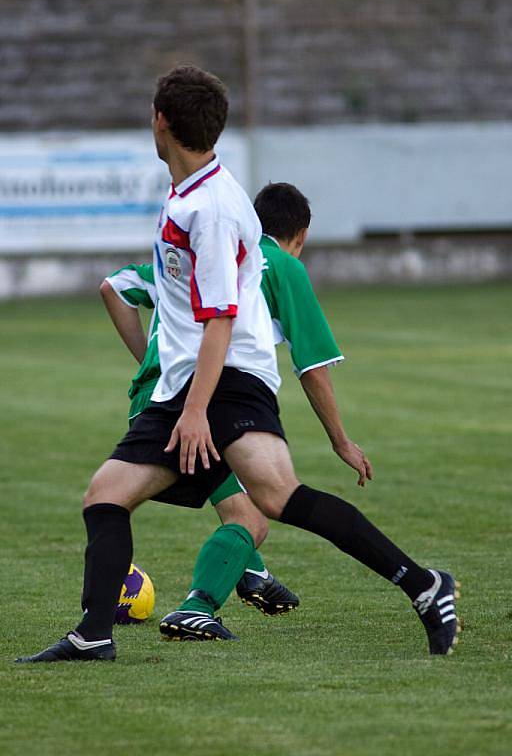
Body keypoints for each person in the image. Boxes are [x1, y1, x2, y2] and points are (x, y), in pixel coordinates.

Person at [17, 66, 460, 663]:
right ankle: (94, 634)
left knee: (276, 497)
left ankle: (423, 584)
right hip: (191, 382)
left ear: (162, 122)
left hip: (225, 379)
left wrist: (196, 410)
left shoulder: (215, 208)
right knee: (107, 494)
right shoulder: (191, 192)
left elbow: (221, 317)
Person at [101, 182, 349, 635]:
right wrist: (342, 440)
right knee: (251, 517)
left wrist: (151, 364)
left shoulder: (202, 253)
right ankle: (197, 607)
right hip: (195, 405)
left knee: (232, 507)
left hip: (153, 401)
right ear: (302, 235)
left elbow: (113, 289)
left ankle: (251, 573)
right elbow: (313, 366)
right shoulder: (277, 266)